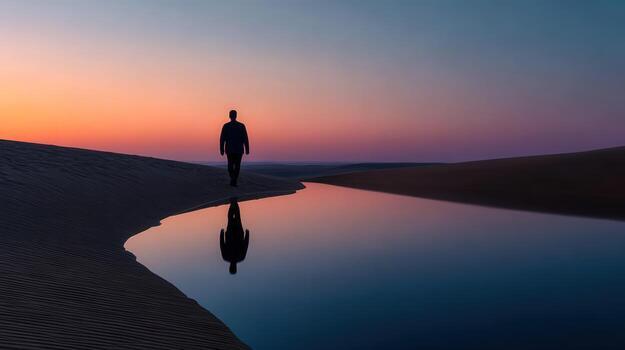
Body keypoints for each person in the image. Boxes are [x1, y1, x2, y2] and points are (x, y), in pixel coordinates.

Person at [220, 110, 249, 187]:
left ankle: (233, 179)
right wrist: (247, 149)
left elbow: (245, 138)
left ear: (230, 116)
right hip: (235, 150)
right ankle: (234, 179)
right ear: (235, 116)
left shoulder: (238, 126)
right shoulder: (237, 126)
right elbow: (222, 138)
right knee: (235, 166)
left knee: (233, 165)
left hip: (233, 150)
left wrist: (222, 149)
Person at [219, 199, 249, 274]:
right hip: (238, 234)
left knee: (231, 219)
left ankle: (233, 204)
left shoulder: (226, 257)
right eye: (233, 268)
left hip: (230, 234)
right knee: (237, 218)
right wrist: (247, 235)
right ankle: (235, 204)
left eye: (232, 268)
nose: (233, 266)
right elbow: (245, 245)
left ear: (230, 267)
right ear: (235, 268)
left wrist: (221, 234)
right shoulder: (240, 257)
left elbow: (222, 245)